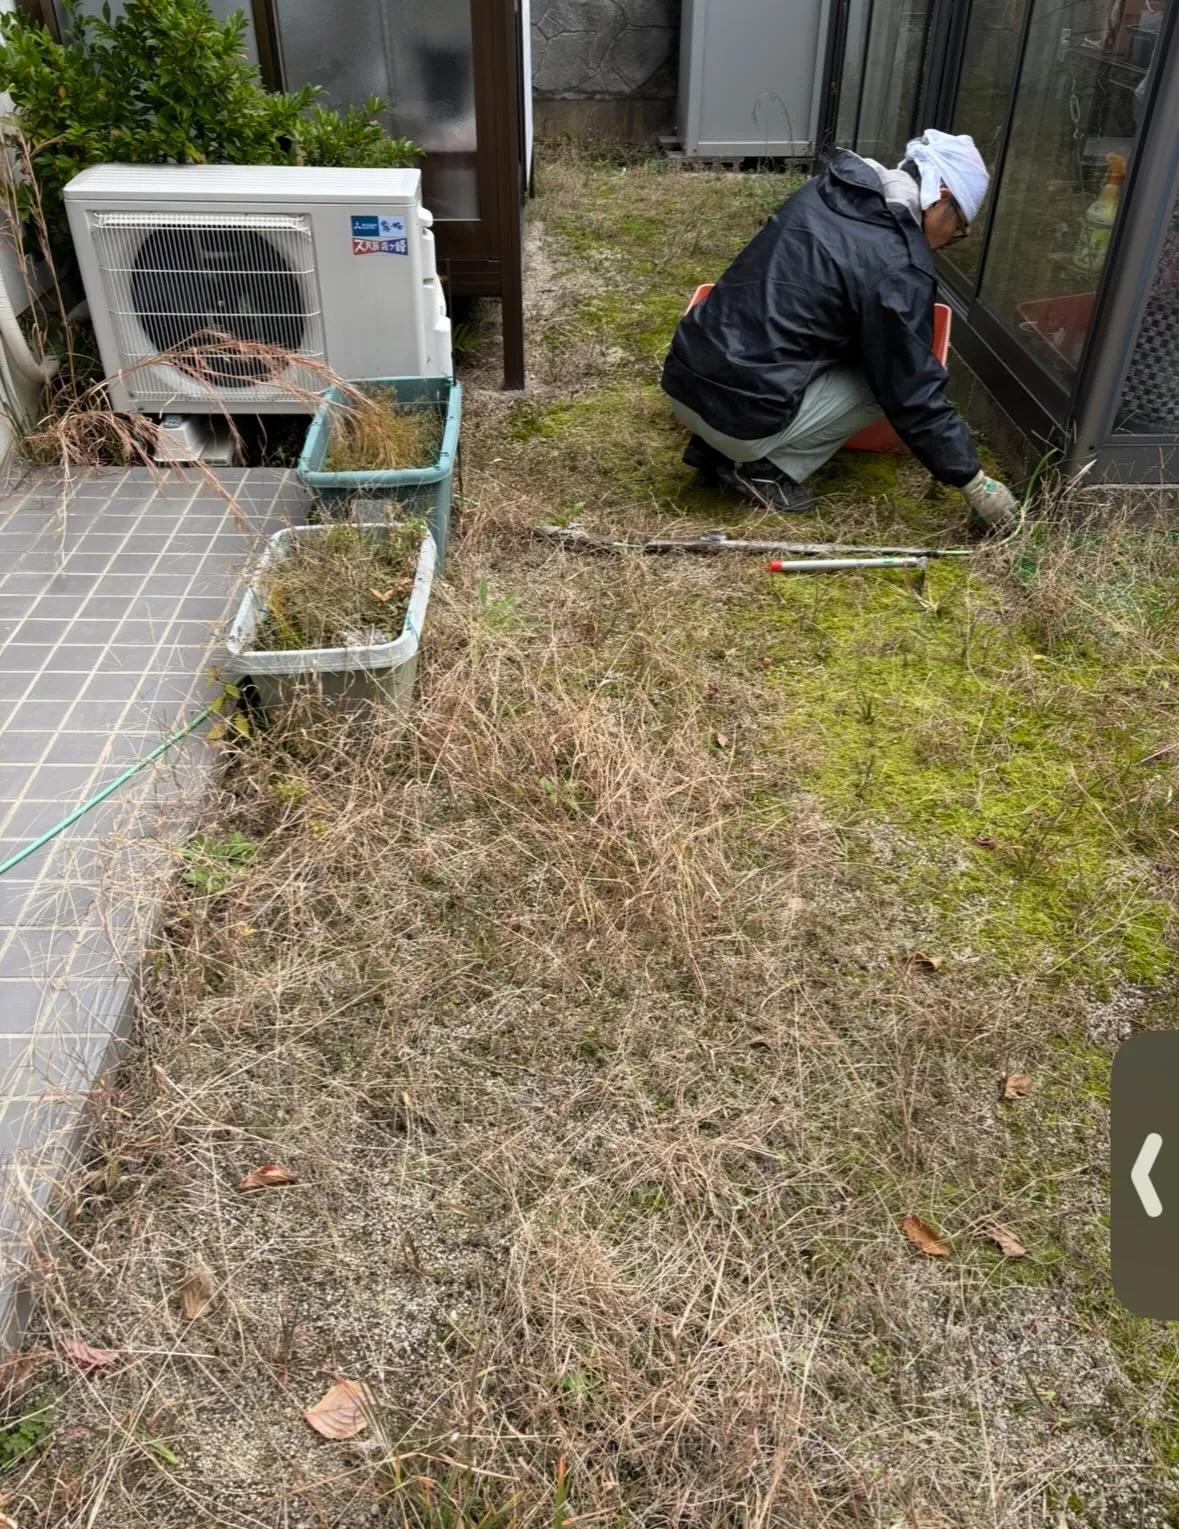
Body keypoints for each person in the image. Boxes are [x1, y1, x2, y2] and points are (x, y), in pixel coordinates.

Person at [661, 129, 1020, 531]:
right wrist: (972, 480)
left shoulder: (824, 192)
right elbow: (911, 391)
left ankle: (715, 449)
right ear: (942, 199)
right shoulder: (897, 263)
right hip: (741, 418)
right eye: (958, 229)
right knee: (880, 384)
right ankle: (761, 469)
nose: (950, 239)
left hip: (684, 380)